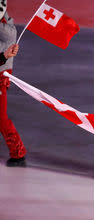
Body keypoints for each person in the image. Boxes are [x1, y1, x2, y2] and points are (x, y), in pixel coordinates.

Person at [0, 8, 26, 167]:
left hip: (1, 74)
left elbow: (10, 35)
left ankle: (18, 152)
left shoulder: (6, 25)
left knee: (1, 116)